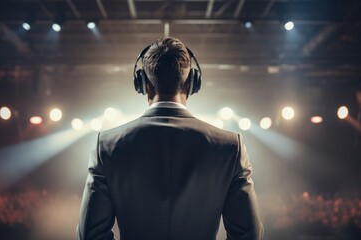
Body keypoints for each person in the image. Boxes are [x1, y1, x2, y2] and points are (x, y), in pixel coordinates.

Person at [76, 37, 263, 240]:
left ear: (142, 83)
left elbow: (91, 236)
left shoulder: (106, 145)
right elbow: (249, 235)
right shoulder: (230, 146)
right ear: (192, 82)